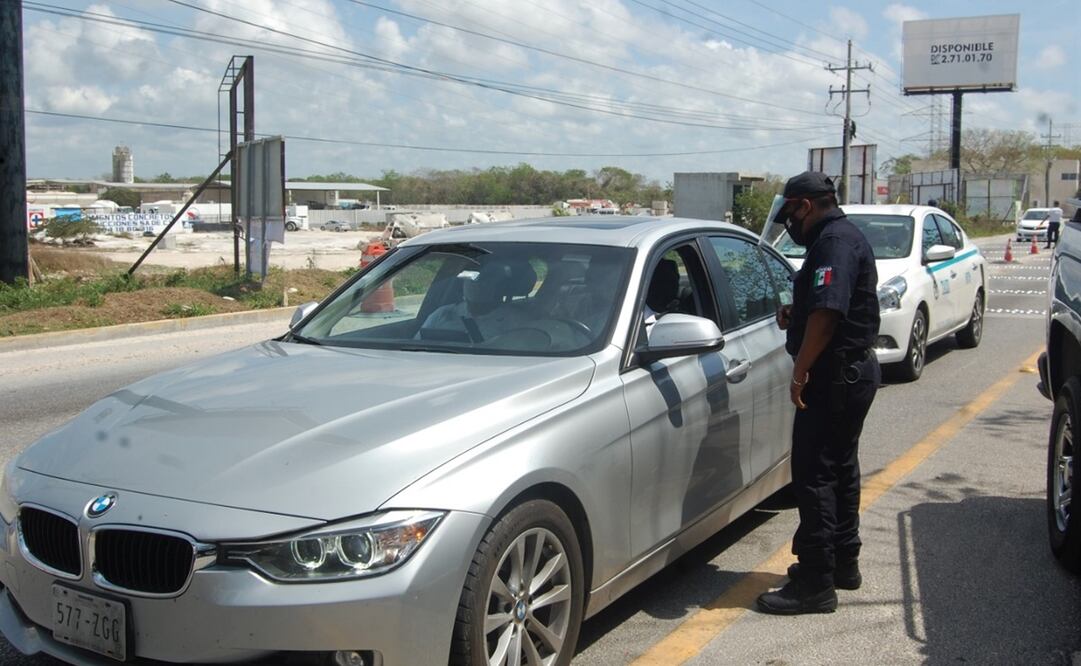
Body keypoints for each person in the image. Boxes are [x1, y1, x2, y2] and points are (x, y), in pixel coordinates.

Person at [756, 172, 881, 615]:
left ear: (805, 206)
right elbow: (825, 305)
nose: (789, 220)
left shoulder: (833, 242)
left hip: (833, 378)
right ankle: (843, 564)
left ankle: (815, 583)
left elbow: (828, 315)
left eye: (790, 211)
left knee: (815, 477)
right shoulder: (841, 238)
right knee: (841, 470)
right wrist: (799, 310)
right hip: (851, 372)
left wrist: (800, 372)